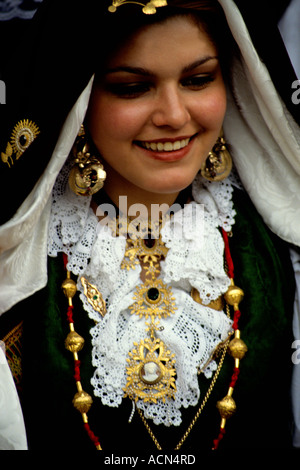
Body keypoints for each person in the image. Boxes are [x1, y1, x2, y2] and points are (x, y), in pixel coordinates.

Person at [0, 0, 300, 452]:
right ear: (81, 100)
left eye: (198, 80)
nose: (174, 115)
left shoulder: (282, 239)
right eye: (133, 87)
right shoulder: (17, 260)